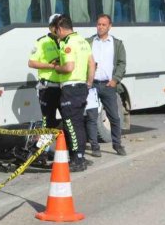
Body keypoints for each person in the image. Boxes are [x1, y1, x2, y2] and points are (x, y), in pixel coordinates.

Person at [52, 14, 96, 171]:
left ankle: (77, 159)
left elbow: (69, 67)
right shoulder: (83, 41)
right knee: (79, 124)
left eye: (56, 31)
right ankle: (81, 157)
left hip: (70, 88)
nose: (56, 34)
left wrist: (56, 67)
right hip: (82, 87)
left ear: (61, 29)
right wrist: (89, 83)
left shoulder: (68, 43)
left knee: (70, 124)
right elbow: (92, 64)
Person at [87, 14, 127, 156]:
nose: (101, 27)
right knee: (91, 117)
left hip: (108, 85)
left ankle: (117, 144)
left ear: (110, 26)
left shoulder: (116, 43)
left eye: (104, 25)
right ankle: (94, 147)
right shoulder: (89, 42)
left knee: (114, 117)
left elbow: (122, 63)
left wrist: (115, 80)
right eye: (99, 24)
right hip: (92, 86)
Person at [27, 13, 62, 131]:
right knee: (48, 121)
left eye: (59, 25)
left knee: (68, 120)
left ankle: (68, 147)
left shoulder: (66, 41)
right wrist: (51, 66)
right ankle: (45, 148)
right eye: (55, 25)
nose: (57, 28)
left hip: (64, 87)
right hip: (48, 88)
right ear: (50, 27)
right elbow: (31, 63)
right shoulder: (42, 42)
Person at [84, 85, 100, 153]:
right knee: (91, 122)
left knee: (91, 121)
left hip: (89, 93)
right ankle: (95, 147)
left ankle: (94, 147)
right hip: (88, 93)